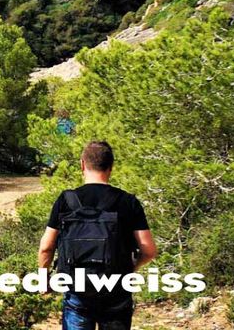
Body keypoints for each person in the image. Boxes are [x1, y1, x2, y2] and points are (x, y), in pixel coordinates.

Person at [38, 141, 158, 330]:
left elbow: (46, 247)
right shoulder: (127, 202)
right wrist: (131, 268)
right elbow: (149, 250)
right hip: (116, 290)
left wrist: (44, 278)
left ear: (82, 165)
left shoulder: (66, 200)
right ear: (111, 167)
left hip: (77, 289)